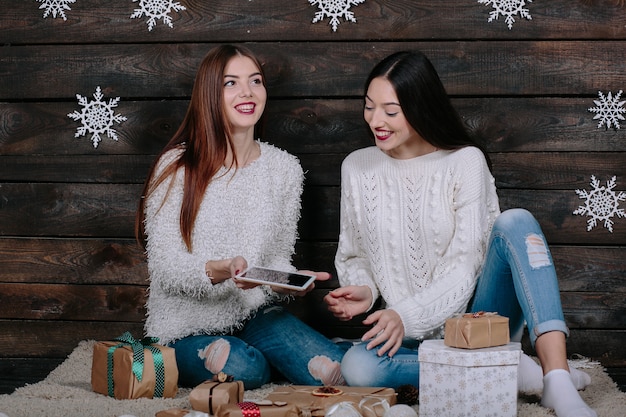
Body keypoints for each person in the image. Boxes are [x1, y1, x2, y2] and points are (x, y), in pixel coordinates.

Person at [324, 50, 596, 417]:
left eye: (391, 111)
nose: (376, 121)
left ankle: (558, 380)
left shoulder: (464, 162)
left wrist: (406, 312)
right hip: (409, 335)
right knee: (359, 367)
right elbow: (355, 253)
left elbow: (465, 266)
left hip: (478, 318)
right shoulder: (357, 167)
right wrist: (365, 289)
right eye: (369, 106)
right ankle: (509, 370)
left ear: (421, 107)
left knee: (516, 222)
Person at [135, 44, 345, 390]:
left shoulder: (284, 169)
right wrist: (221, 269)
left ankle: (258, 353)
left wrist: (289, 280)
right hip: (184, 327)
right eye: (230, 83)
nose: (247, 92)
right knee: (245, 367)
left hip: (253, 315)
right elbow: (165, 267)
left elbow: (276, 256)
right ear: (209, 95)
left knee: (331, 369)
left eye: (255, 81)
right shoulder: (176, 167)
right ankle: (247, 359)